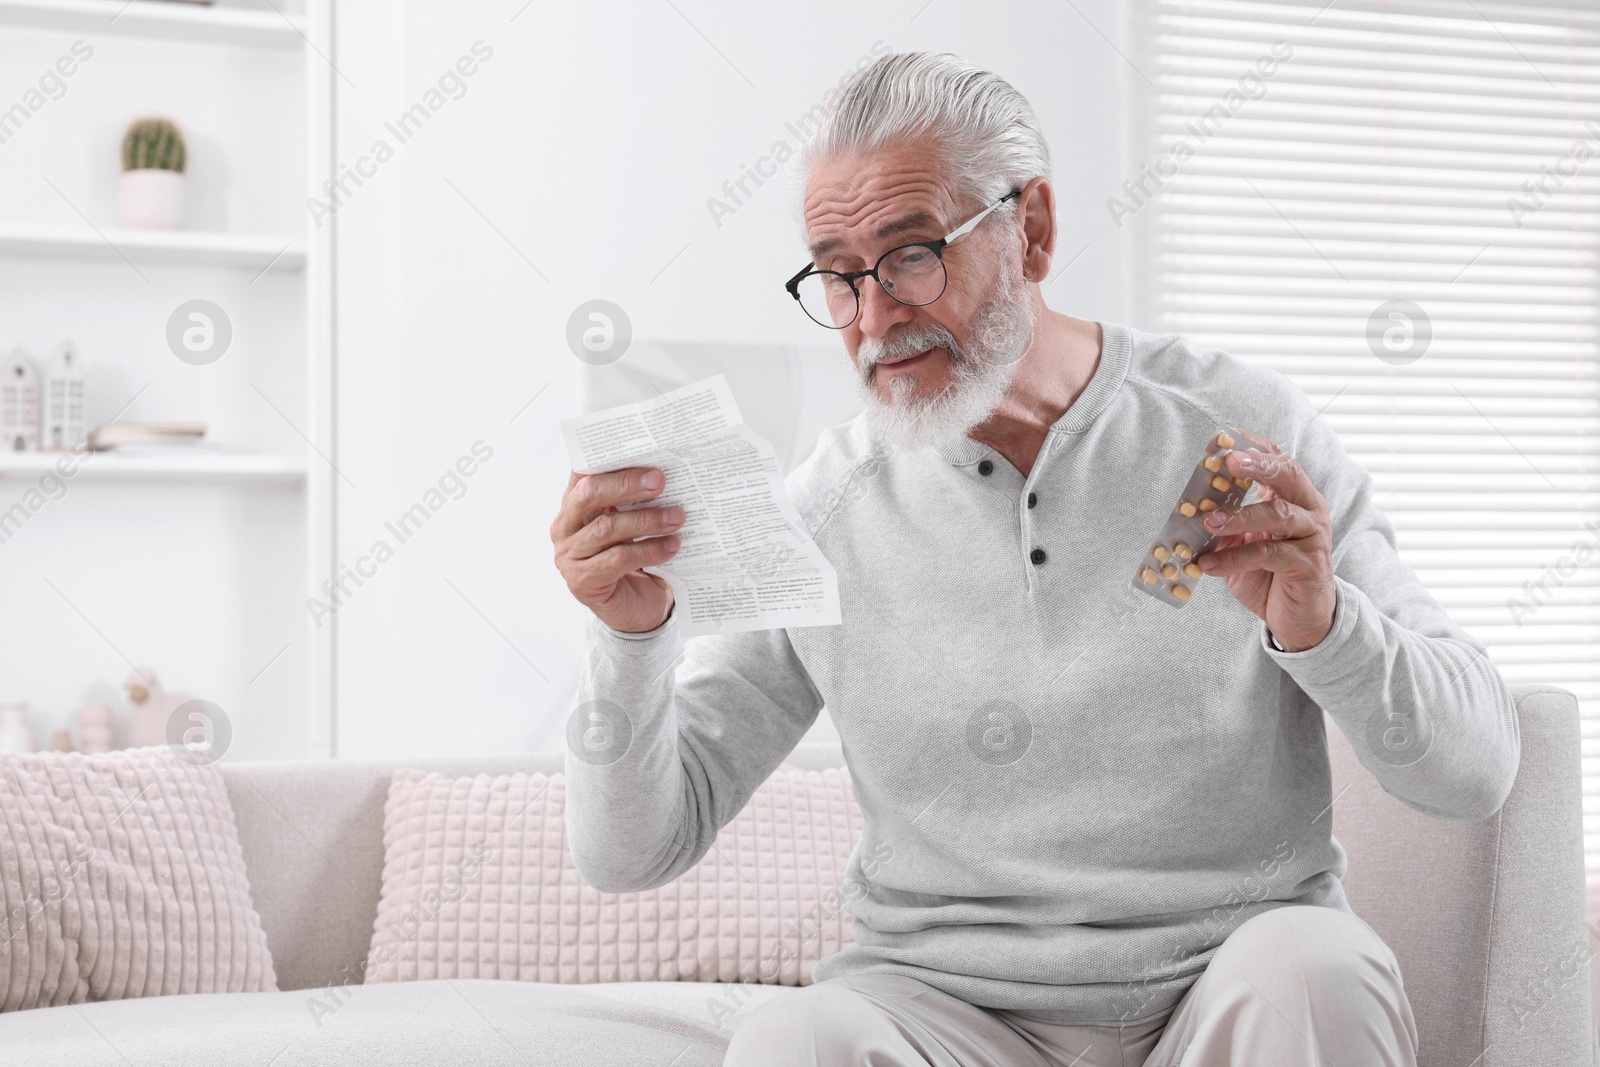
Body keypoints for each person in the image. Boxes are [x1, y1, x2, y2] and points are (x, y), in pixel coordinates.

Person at [548, 51, 1519, 1067]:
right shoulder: (826, 509)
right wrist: (629, 637)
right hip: (944, 1014)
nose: (873, 319)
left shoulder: (1241, 437)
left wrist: (1324, 628)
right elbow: (632, 851)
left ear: (1033, 230)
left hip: (1223, 986)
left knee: (1313, 963)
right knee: (793, 1036)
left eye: (909, 254)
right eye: (834, 274)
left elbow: (1476, 770)